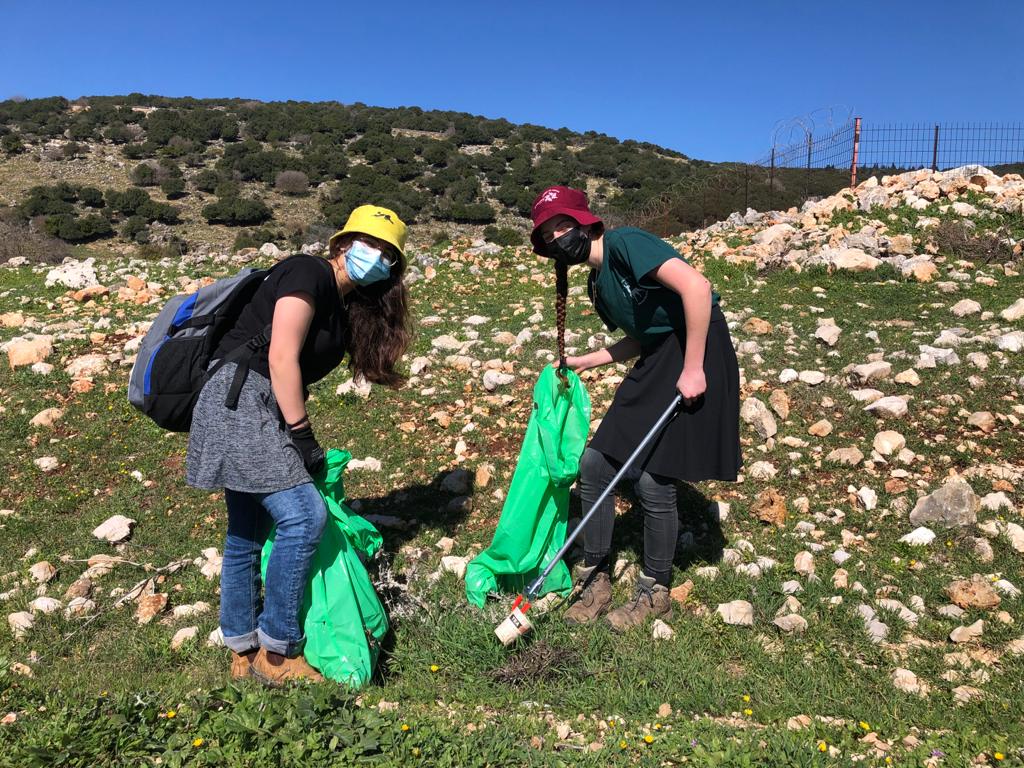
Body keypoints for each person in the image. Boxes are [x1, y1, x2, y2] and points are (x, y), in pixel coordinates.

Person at [185, 204, 412, 684]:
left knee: (247, 526)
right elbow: (281, 355)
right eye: (368, 244)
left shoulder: (341, 303)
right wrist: (302, 435)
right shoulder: (307, 271)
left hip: (246, 401)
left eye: (388, 254)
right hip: (240, 397)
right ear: (341, 245)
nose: (376, 257)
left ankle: (242, 650)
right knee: (305, 516)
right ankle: (279, 652)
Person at [529, 186, 741, 632]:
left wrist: (695, 366)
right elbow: (642, 337)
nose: (557, 238)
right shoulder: (596, 284)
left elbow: (698, 288)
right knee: (595, 462)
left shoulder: (626, 244)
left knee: (652, 476)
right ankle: (596, 575)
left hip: (697, 348)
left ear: (585, 221)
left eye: (563, 225)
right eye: (548, 234)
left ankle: (655, 590)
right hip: (659, 356)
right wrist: (590, 359)